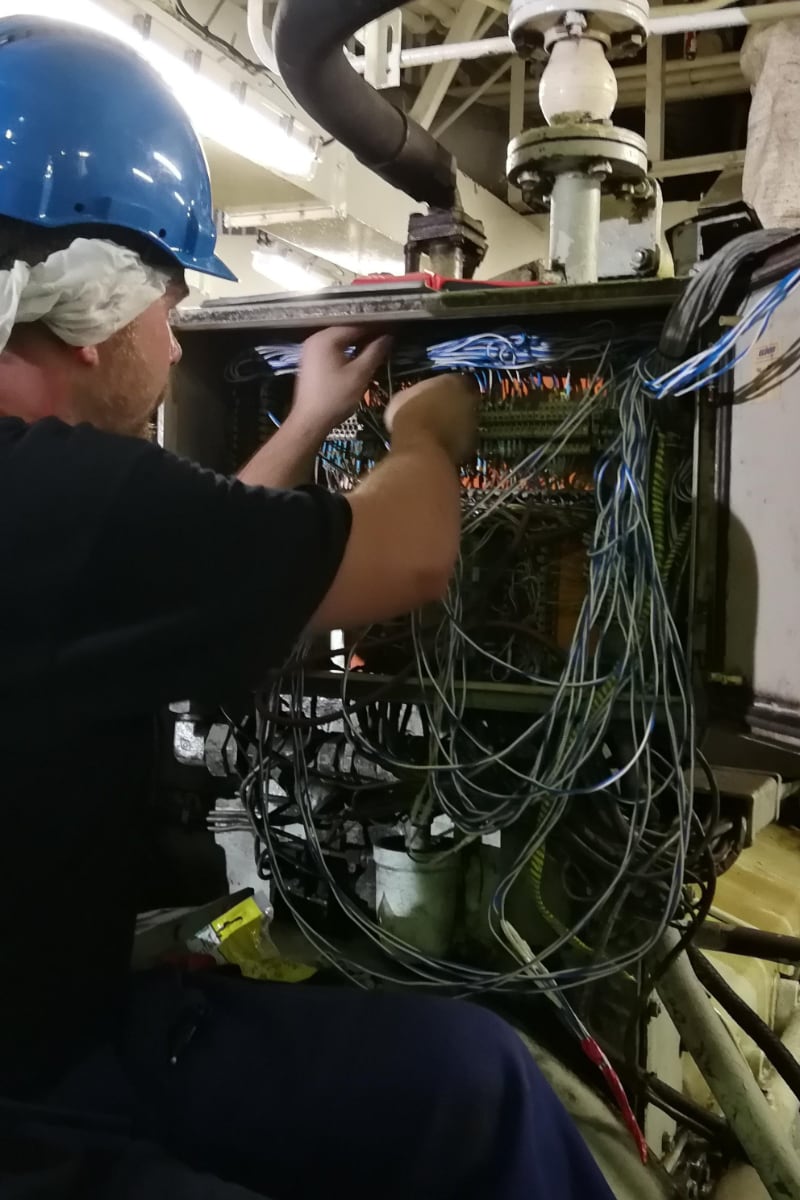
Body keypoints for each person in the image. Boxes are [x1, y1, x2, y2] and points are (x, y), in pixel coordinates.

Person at [0, 15, 616, 1200]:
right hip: (39, 1086)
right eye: (170, 302)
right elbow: (413, 556)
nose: (173, 339)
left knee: (465, 1078)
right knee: (469, 1086)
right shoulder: (63, 497)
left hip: (60, 1021)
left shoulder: (54, 502)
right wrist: (427, 433)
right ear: (91, 300)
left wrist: (303, 423)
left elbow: (169, 559)